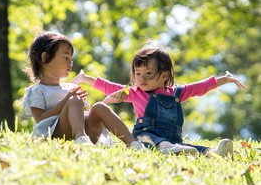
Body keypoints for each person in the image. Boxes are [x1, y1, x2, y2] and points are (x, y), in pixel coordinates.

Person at [71, 45, 246, 156]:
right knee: (157, 140)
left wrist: (224, 79)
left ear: (164, 76)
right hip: (145, 137)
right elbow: (109, 87)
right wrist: (86, 79)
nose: (142, 78)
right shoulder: (135, 92)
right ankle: (167, 147)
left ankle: (213, 153)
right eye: (138, 73)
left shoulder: (177, 92)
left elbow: (200, 87)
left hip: (172, 138)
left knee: (188, 147)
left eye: (148, 73)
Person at [22, 31, 145, 150]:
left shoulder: (71, 88)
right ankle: (80, 137)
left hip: (89, 131)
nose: (71, 63)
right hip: (55, 135)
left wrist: (106, 101)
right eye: (66, 57)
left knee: (99, 107)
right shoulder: (37, 90)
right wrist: (67, 100)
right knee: (74, 99)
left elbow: (86, 113)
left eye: (71, 58)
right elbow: (40, 119)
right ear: (45, 57)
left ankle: (133, 144)